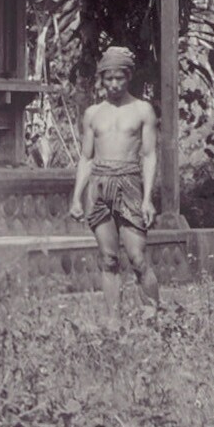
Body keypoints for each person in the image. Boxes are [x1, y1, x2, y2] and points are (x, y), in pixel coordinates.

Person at [68, 43, 160, 312]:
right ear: (102, 79)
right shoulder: (93, 114)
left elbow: (150, 155)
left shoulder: (142, 110)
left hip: (130, 183)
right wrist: (76, 198)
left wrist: (147, 199)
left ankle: (154, 316)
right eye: (108, 78)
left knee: (137, 258)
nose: (114, 84)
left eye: (119, 78)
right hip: (99, 186)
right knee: (108, 259)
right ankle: (113, 323)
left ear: (128, 77)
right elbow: (86, 158)